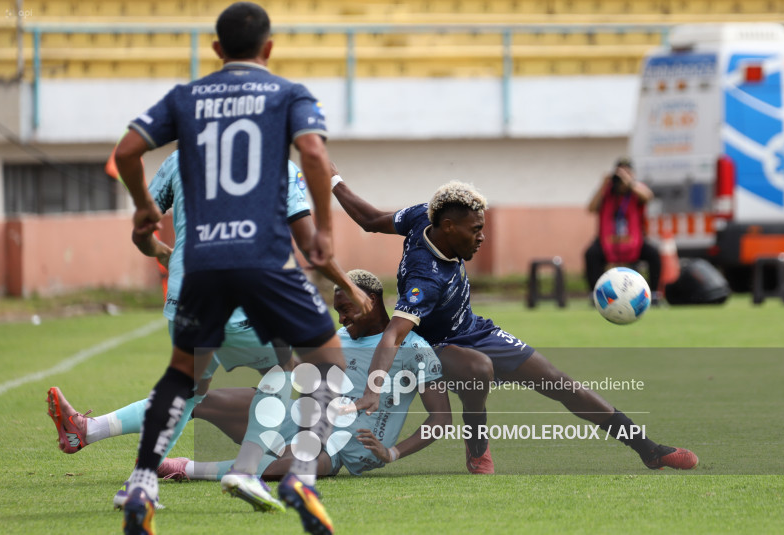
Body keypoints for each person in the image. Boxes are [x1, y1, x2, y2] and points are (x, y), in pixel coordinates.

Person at [114, 4, 347, 534]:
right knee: (328, 363)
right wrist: (326, 228)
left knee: (182, 376)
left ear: (216, 50)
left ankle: (143, 484)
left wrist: (143, 207)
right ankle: (301, 476)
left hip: (202, 265)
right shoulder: (289, 94)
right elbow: (312, 152)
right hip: (264, 258)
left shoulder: (185, 97)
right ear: (268, 48)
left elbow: (127, 151)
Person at [47, 151, 371, 512]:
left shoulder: (179, 158)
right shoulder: (277, 163)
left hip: (184, 296)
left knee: (187, 391)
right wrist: (349, 286)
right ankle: (245, 471)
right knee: (282, 371)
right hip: (243, 296)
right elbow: (312, 245)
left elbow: (141, 232)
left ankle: (99, 444)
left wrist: (165, 251)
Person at [330, 172, 699, 475]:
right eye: (475, 229)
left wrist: (331, 177)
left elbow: (368, 219)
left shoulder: (420, 217)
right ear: (448, 227)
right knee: (478, 369)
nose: (482, 236)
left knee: (560, 383)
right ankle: (477, 448)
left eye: (482, 227)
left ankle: (648, 449)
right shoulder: (423, 280)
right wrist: (373, 391)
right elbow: (395, 333)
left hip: (474, 328)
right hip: (432, 345)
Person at [584, 157, 661, 298]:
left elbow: (649, 196)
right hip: (607, 240)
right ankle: (595, 293)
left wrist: (629, 183)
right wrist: (603, 185)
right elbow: (591, 208)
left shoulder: (636, 192)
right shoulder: (606, 193)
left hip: (634, 241)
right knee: (591, 254)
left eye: (626, 173)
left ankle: (653, 293)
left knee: (654, 253)